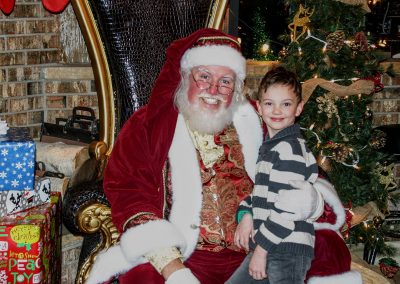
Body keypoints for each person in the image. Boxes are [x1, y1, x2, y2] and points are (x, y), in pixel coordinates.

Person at [86, 28, 361, 284]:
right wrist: (174, 269)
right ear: (185, 78)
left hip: (258, 246)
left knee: (328, 246)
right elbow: (130, 193)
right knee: (143, 276)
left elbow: (305, 171)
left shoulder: (259, 119)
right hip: (188, 254)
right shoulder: (148, 125)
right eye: (204, 76)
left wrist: (310, 200)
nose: (214, 89)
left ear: (236, 89)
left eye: (225, 81)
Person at [227, 66, 318, 284]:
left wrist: (261, 251)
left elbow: (288, 209)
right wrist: (246, 213)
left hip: (286, 250)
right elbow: (264, 194)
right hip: (270, 244)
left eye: (286, 104)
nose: (277, 111)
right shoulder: (272, 148)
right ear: (259, 107)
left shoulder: (290, 150)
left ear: (299, 108)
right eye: (269, 103)